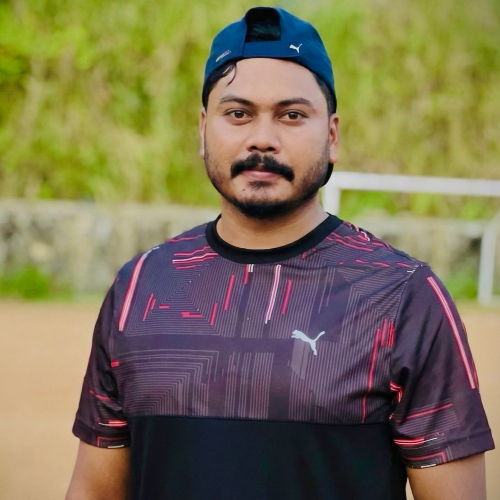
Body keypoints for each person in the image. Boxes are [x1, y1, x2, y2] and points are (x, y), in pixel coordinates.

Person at [65, 7, 494, 500]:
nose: (262, 139)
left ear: (332, 136)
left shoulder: (403, 297)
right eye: (238, 113)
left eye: (292, 115)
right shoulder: (141, 286)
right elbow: (93, 490)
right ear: (203, 130)